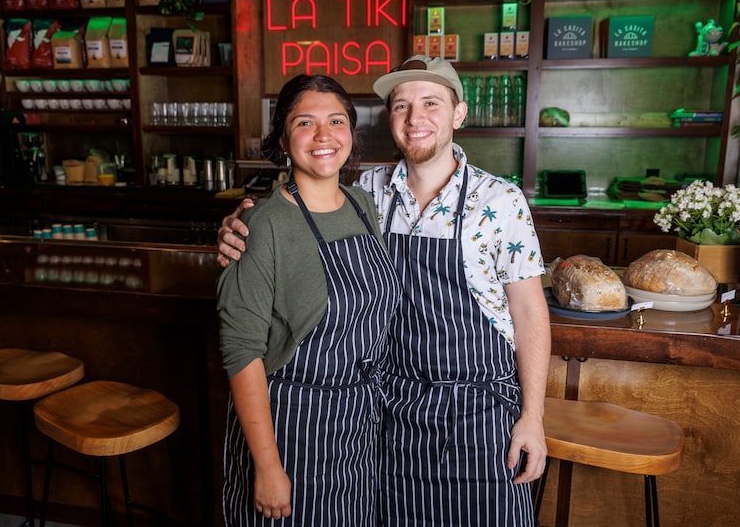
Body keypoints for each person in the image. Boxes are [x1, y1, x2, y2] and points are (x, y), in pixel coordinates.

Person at [218, 56, 550, 526]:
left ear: (458, 114)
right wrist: (241, 222)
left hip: (478, 413)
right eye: (401, 106)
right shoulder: (370, 193)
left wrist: (533, 417)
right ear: (388, 119)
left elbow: (531, 313)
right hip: (391, 416)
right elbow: (296, 209)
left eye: (431, 104)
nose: (416, 119)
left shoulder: (500, 201)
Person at [216, 74, 401, 526]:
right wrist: (267, 466)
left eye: (336, 120)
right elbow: (242, 352)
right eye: (305, 123)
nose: (323, 136)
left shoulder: (364, 204)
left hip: (359, 424)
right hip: (292, 428)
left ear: (351, 134)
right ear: (282, 138)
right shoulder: (262, 225)